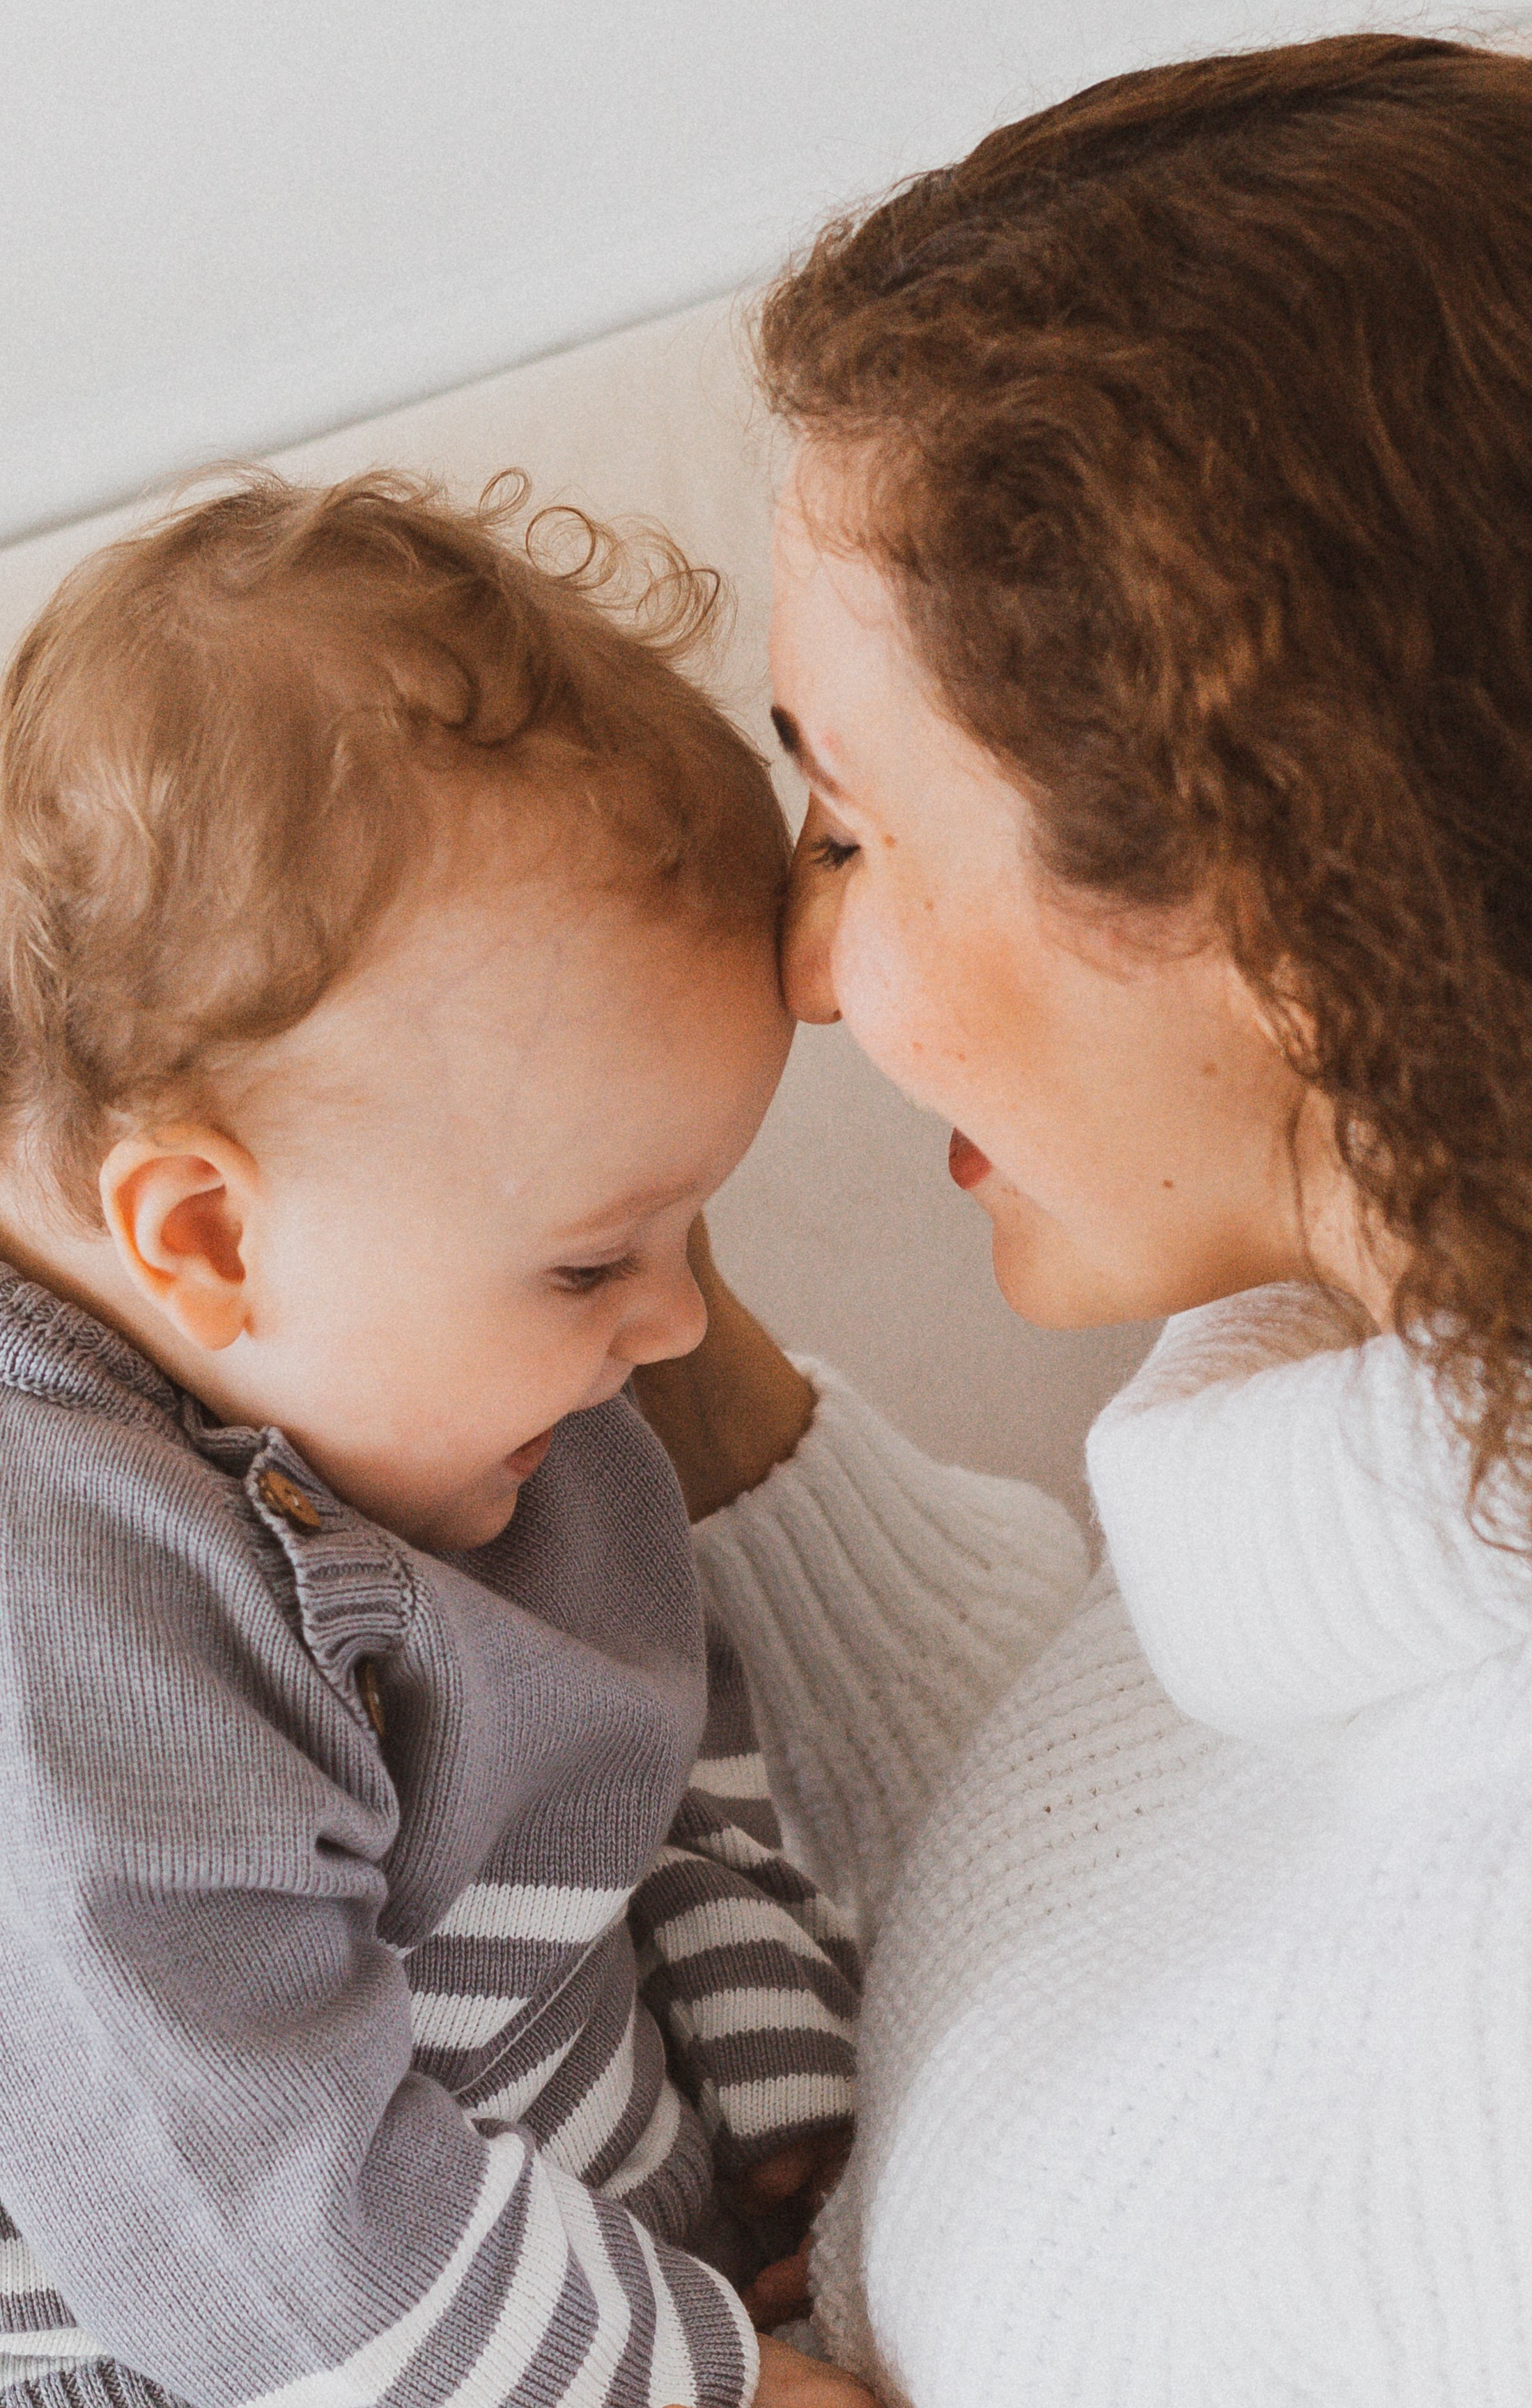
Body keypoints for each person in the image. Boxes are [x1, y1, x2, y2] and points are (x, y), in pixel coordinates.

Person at [633, 34, 1532, 2407]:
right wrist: (626, 1330)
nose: (798, 961)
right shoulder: (1426, 1440)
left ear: (1283, 889)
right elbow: (1127, 1961)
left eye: (851, 827)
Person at [0, 473, 871, 2408]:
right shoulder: (54, 1612)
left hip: (614, 2282)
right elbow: (252, 2223)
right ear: (207, 1234)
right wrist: (712, 2388)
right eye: (589, 1261)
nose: (674, 1323)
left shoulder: (483, 1416)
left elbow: (652, 1759)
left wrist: (770, 2064)